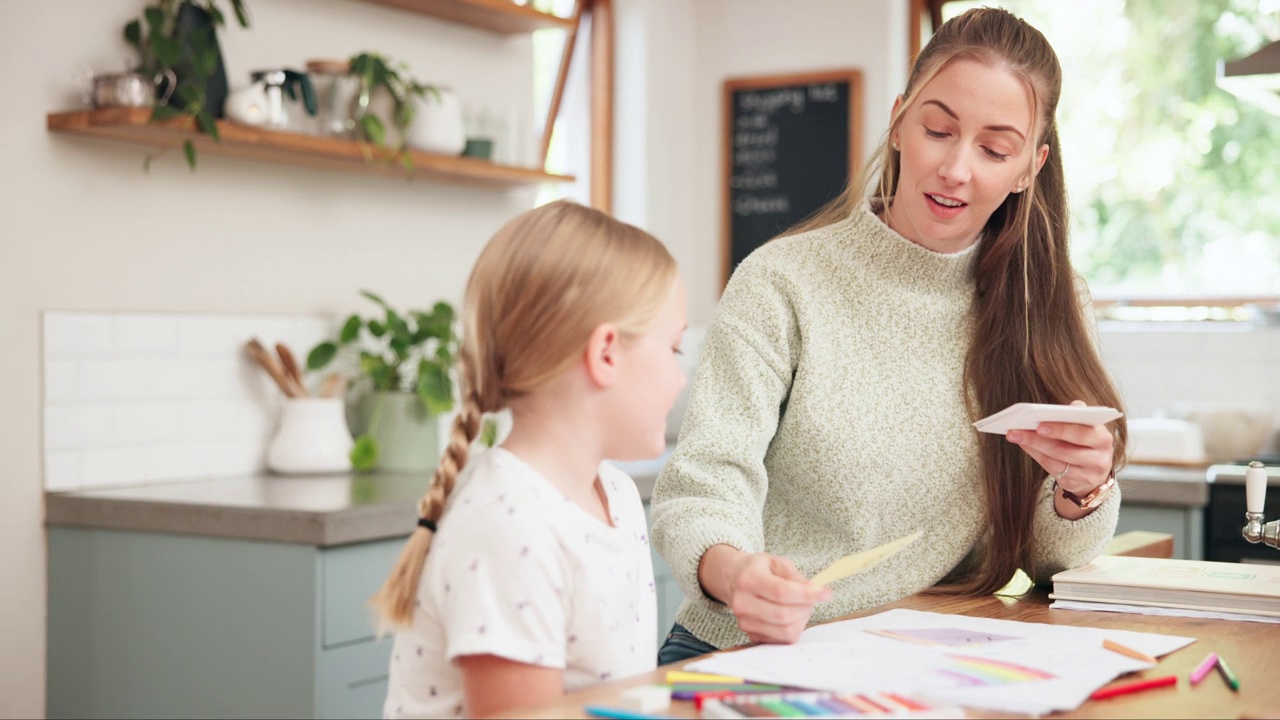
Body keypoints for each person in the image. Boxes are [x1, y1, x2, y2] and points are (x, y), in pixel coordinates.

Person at [650, 6, 1129, 663]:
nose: (956, 168)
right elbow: (703, 484)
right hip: (747, 653)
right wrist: (736, 573)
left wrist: (1080, 493)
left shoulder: (1046, 305)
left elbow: (1049, 565)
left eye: (994, 149)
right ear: (901, 121)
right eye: (938, 129)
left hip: (917, 655)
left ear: (1029, 167)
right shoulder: (782, 282)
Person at [372, 199, 687, 718]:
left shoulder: (618, 497)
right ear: (605, 353)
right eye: (673, 350)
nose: (681, 378)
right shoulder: (508, 524)